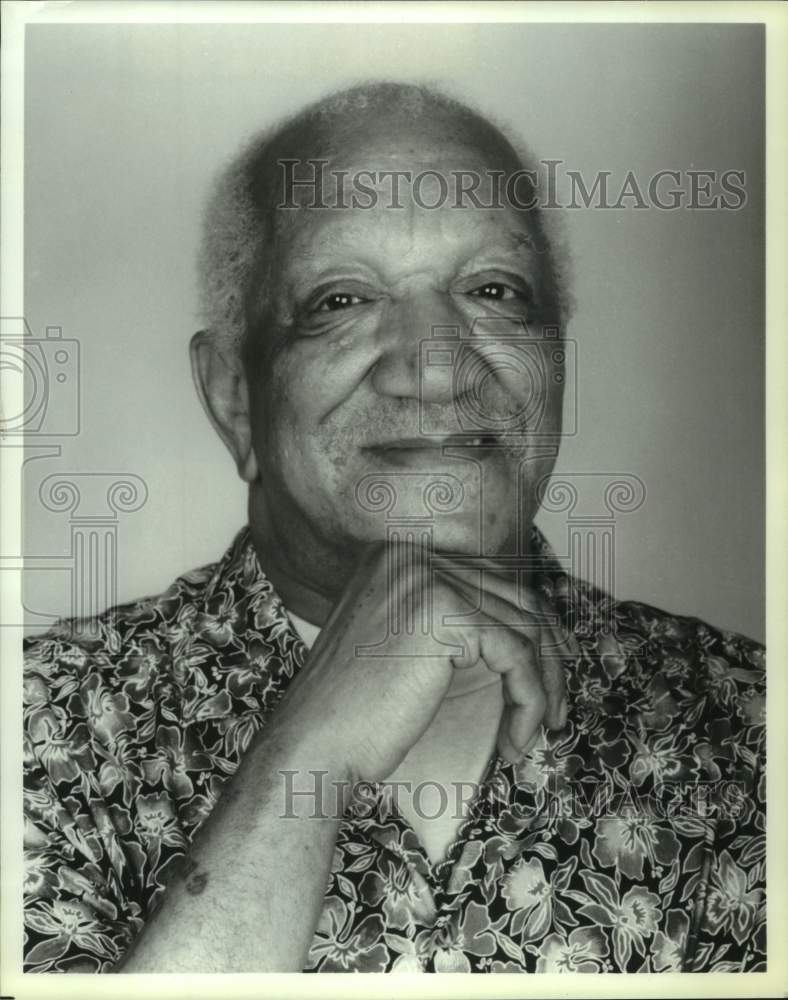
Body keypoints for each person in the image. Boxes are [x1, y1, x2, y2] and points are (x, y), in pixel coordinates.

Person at [23, 82, 765, 974]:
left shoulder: (751, 726)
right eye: (342, 300)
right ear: (235, 400)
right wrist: (313, 754)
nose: (439, 367)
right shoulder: (37, 729)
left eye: (494, 290)